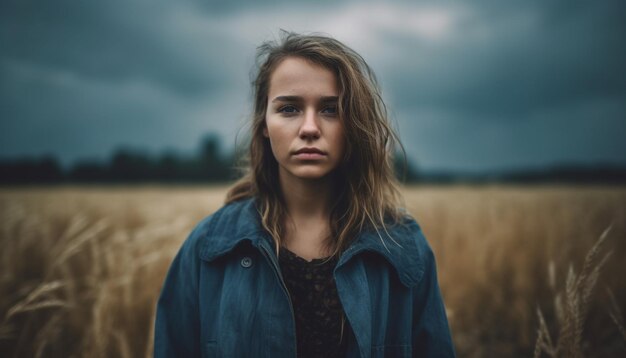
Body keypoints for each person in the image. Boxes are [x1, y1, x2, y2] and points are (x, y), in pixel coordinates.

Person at [154, 31, 455, 358]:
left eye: (330, 109)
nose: (310, 128)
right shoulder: (208, 247)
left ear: (353, 123)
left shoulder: (402, 248)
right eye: (289, 109)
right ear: (264, 125)